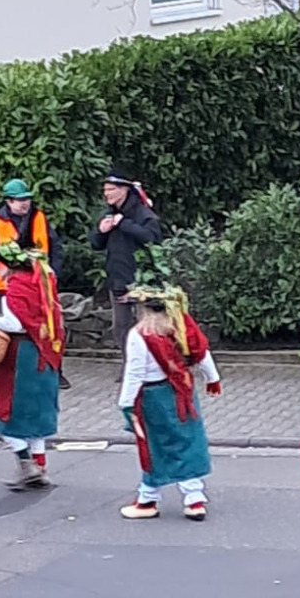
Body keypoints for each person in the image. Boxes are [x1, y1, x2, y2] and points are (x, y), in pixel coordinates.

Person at [118, 276, 220, 521]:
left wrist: (126, 403)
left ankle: (148, 499)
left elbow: (134, 373)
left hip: (152, 398)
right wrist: (212, 378)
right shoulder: (180, 327)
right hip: (182, 391)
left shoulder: (139, 335)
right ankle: (194, 499)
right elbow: (201, 353)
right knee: (185, 442)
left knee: (154, 448)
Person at [0, 241, 64, 487]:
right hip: (44, 354)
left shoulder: (17, 287)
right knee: (36, 415)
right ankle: (40, 467)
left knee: (10, 414)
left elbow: (14, 323)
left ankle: (25, 463)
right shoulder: (43, 285)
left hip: (21, 357)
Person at [90, 174, 163, 351]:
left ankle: (150, 362)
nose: (106, 194)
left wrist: (124, 224)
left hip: (141, 281)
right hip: (117, 278)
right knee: (120, 328)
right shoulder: (108, 214)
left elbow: (153, 239)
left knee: (145, 327)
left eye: (111, 189)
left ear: (124, 190)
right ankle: (128, 363)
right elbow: (96, 244)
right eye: (105, 190)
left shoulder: (143, 213)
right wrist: (100, 231)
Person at [0, 179, 58, 303]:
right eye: (21, 200)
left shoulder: (39, 217)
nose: (25, 203)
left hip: (38, 284)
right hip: (7, 287)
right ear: (9, 201)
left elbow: (55, 248)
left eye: (27, 198)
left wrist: (54, 274)